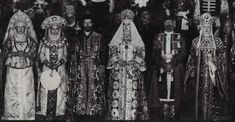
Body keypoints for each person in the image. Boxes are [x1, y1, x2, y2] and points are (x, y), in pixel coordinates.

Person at [181, 12, 230, 120]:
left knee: (214, 96)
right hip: (199, 76)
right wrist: (192, 69)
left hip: (214, 76)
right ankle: (199, 115)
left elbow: (223, 58)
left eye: (209, 27)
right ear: (201, 27)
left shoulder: (217, 41)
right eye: (205, 27)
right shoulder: (195, 42)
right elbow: (191, 58)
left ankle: (213, 116)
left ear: (211, 27)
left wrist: (214, 61)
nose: (207, 29)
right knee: (197, 95)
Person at [106, 9, 149, 120]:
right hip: (118, 72)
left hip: (132, 72)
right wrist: (117, 60)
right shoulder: (116, 40)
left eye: (128, 25)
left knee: (133, 96)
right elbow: (112, 51)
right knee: (117, 95)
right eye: (124, 25)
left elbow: (141, 52)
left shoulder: (137, 40)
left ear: (132, 26)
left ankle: (132, 117)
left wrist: (134, 61)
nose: (126, 28)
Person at [66, 11, 107, 120]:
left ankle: (94, 109)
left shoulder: (99, 37)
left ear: (92, 24)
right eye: (85, 23)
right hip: (80, 67)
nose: (87, 25)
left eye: (89, 23)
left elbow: (103, 52)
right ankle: (80, 110)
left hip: (95, 67)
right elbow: (72, 53)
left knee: (94, 87)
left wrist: (102, 65)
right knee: (80, 87)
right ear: (82, 24)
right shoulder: (77, 37)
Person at [1, 10, 37, 120]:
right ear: (14, 28)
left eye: (23, 27)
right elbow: (4, 54)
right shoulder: (9, 41)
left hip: (27, 70)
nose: (20, 29)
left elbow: (34, 54)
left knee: (27, 91)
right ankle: (12, 114)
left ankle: (27, 114)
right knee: (12, 91)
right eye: (18, 27)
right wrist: (14, 53)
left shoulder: (30, 41)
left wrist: (27, 54)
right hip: (13, 70)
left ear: (26, 28)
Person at [149, 15, 186, 120]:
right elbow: (155, 53)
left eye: (170, 22)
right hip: (161, 67)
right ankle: (162, 112)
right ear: (163, 24)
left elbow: (183, 53)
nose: (168, 24)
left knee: (176, 89)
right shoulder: (158, 37)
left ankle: (175, 112)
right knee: (161, 88)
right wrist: (163, 64)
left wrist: (172, 63)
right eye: (166, 22)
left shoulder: (180, 37)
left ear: (174, 24)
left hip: (176, 68)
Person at [36, 15, 68, 120]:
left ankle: (59, 111)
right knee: (46, 88)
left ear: (60, 29)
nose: (54, 31)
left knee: (60, 89)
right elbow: (41, 55)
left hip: (59, 69)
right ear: (49, 29)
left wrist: (58, 64)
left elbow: (65, 56)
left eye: (57, 29)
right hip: (47, 69)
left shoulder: (63, 41)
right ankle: (45, 111)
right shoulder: (44, 41)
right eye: (52, 29)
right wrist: (48, 64)